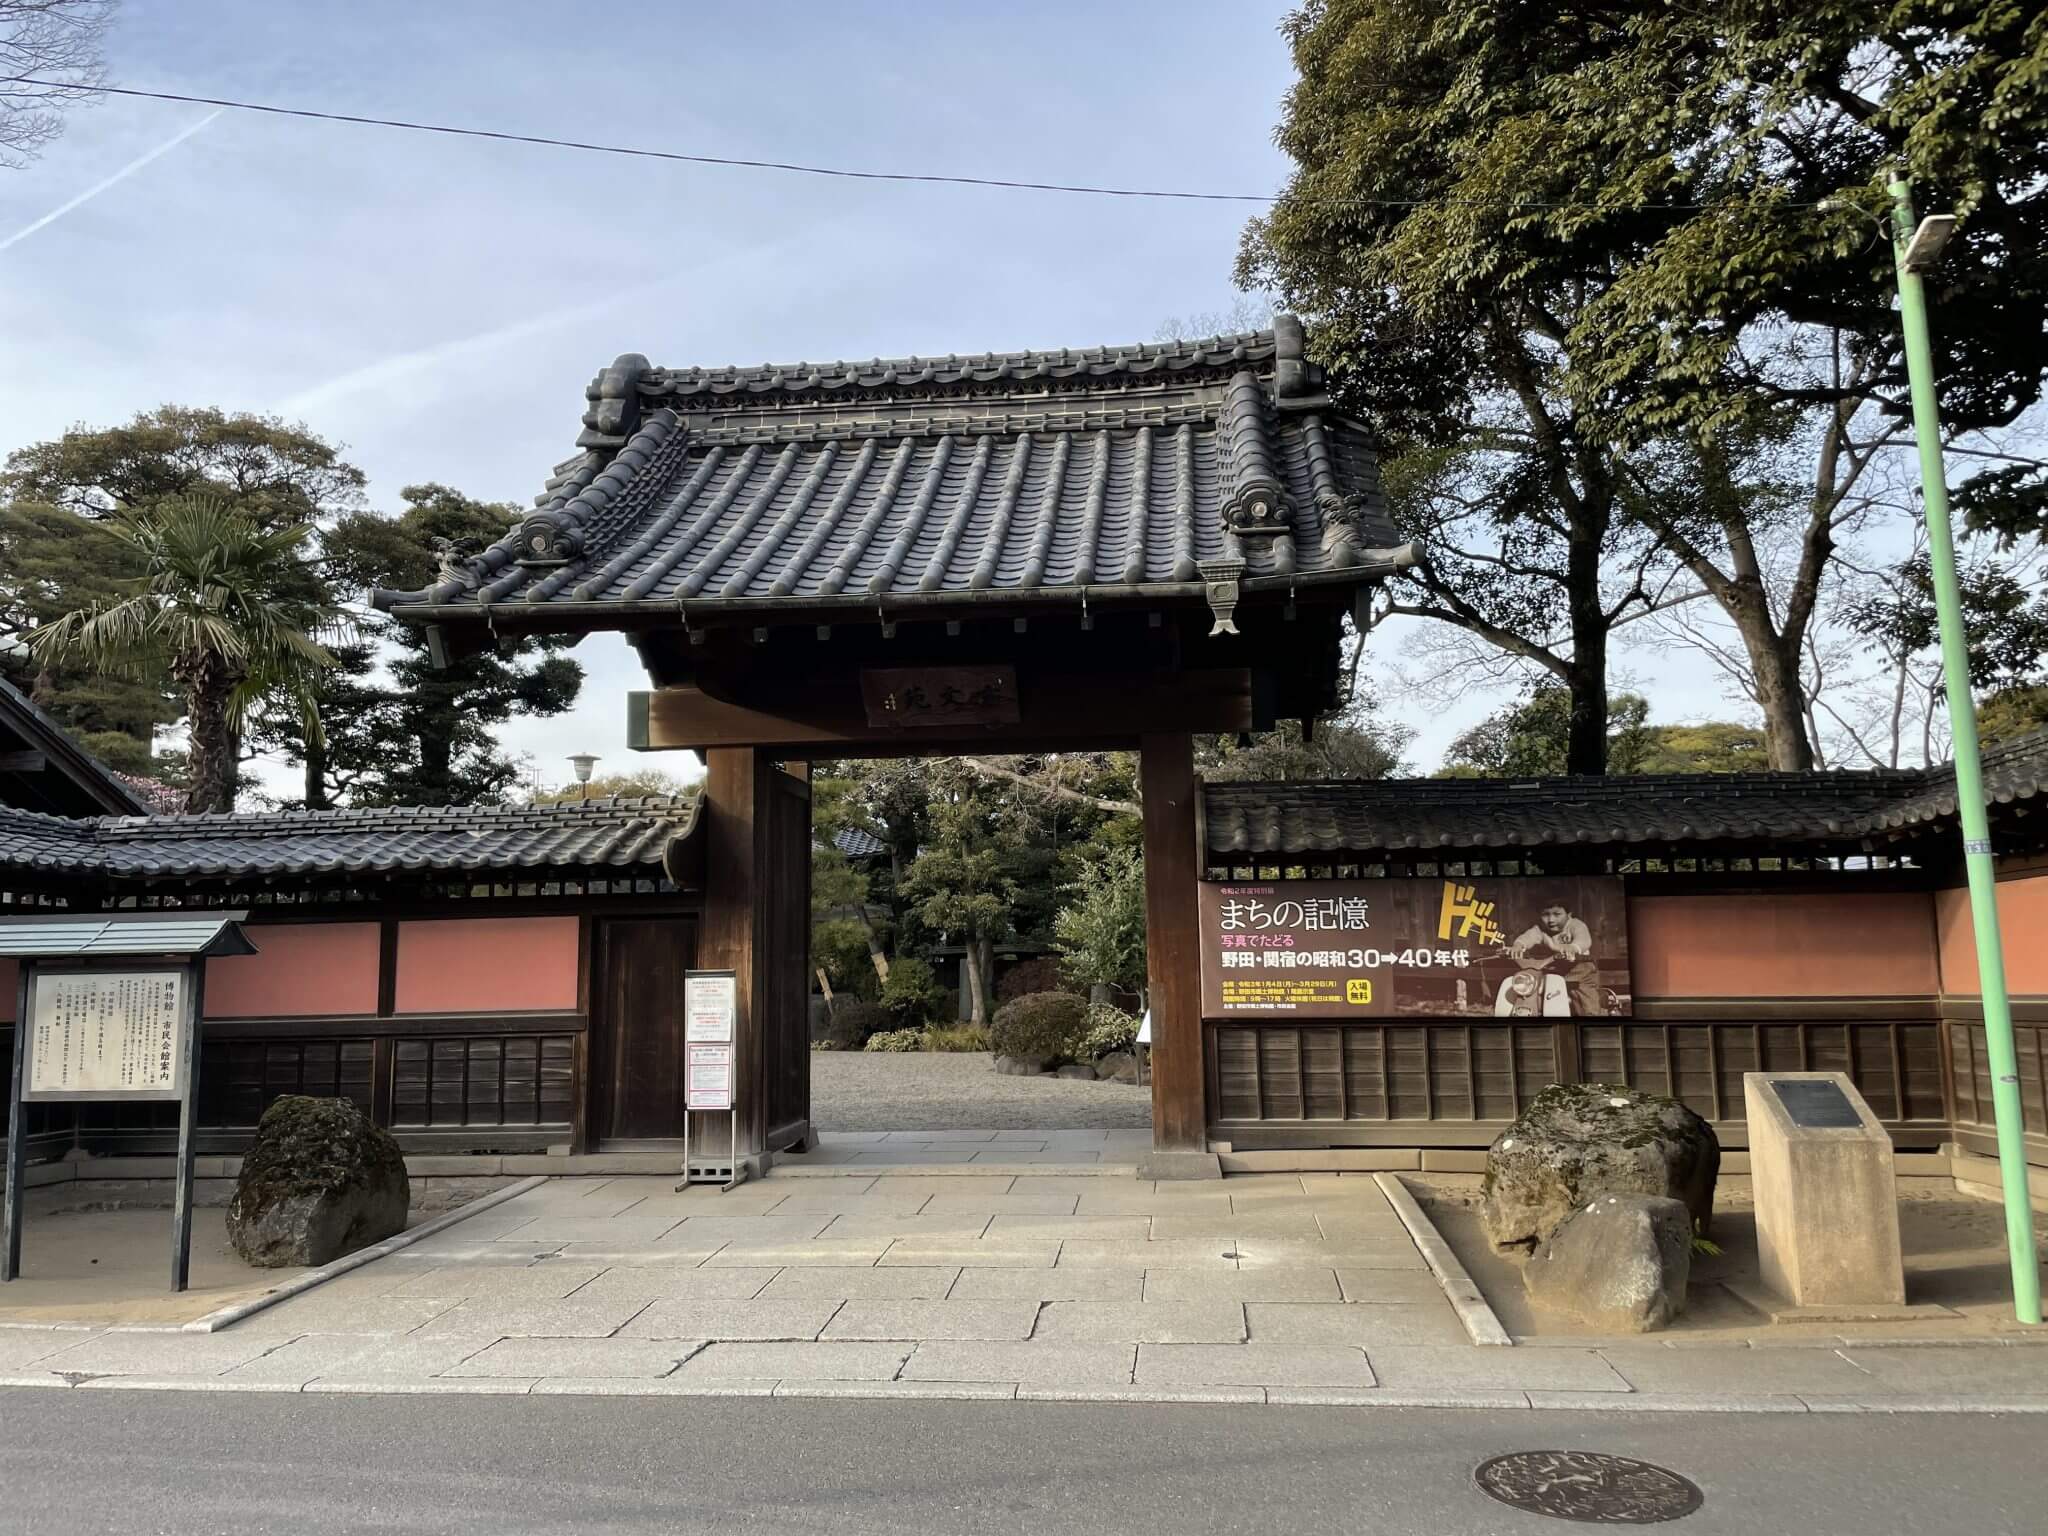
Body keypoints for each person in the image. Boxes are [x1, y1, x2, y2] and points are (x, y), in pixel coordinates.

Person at [1508, 902, 1604, 1015]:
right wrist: (1518, 945)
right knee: (1530, 981)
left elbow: (1583, 940)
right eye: (1545, 914)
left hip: (1579, 967)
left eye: (1557, 914)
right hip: (1554, 967)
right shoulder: (1540, 929)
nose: (1551, 920)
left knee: (1586, 998)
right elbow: (1528, 937)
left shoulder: (1576, 925)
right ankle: (1529, 1011)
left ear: (1569, 914)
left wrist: (1573, 948)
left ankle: (1591, 1017)